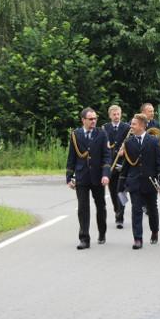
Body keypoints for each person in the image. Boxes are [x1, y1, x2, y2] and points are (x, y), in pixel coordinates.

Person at [118, 114, 160, 249]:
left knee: (152, 209)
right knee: (136, 210)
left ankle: (154, 231)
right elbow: (127, 164)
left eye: (134, 124)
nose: (131, 126)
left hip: (150, 182)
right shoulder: (128, 142)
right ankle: (137, 238)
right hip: (134, 182)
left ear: (142, 126)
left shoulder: (153, 141)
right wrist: (121, 184)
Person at [66, 107, 111, 250]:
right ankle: (84, 238)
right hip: (82, 176)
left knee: (101, 206)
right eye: (90, 119)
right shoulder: (75, 135)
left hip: (98, 176)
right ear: (83, 120)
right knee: (83, 208)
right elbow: (72, 157)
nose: (94, 121)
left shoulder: (102, 134)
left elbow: (107, 156)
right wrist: (69, 177)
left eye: (95, 118)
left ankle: (102, 232)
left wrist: (106, 174)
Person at [103, 105, 131, 229]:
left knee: (122, 191)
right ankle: (117, 210)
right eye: (114, 114)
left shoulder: (127, 128)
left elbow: (131, 142)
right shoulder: (105, 128)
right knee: (113, 192)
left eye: (118, 114)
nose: (116, 116)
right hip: (110, 164)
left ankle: (120, 217)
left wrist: (125, 150)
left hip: (123, 163)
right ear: (110, 116)